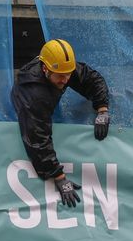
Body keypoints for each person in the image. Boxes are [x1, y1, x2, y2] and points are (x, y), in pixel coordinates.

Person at [10, 38, 111, 208]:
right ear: (45, 69)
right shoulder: (34, 95)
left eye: (68, 74)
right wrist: (59, 177)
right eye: (61, 76)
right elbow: (37, 139)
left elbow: (92, 79)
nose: (65, 80)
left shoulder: (61, 68)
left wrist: (102, 109)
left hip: (46, 97)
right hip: (27, 111)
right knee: (34, 127)